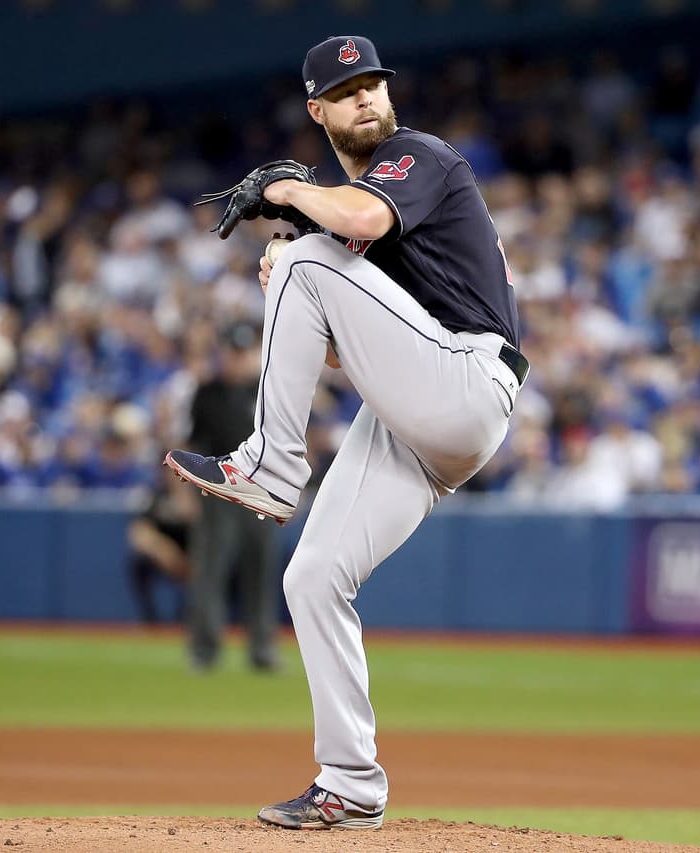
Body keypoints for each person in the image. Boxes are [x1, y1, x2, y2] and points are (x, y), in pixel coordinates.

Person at [164, 34, 526, 830]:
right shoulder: (361, 232)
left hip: (468, 381)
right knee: (314, 576)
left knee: (300, 255)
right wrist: (302, 285)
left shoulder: (416, 156)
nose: (367, 97)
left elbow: (357, 214)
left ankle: (270, 464)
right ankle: (351, 780)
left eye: (375, 83)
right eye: (348, 88)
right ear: (317, 108)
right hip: (425, 410)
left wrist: (293, 203)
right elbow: (344, 352)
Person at [186, 322, 281, 672]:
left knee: (261, 570)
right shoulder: (208, 391)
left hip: (259, 492)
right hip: (216, 491)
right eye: (233, 351)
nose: (238, 359)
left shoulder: (267, 389)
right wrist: (185, 494)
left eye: (243, 352)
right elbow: (194, 444)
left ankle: (262, 648)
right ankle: (205, 649)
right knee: (211, 571)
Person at [126, 464, 195, 625]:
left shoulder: (203, 494)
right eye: (171, 470)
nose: (175, 475)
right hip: (165, 557)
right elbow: (138, 531)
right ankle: (150, 619)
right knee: (138, 563)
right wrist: (163, 550)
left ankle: (192, 617)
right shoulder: (156, 496)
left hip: (197, 557)